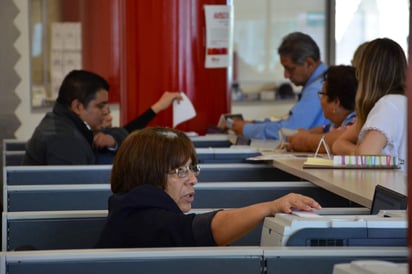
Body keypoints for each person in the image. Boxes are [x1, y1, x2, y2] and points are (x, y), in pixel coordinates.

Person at [95, 127, 321, 248]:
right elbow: (207, 229)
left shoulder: (129, 208)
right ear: (148, 175)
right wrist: (270, 208)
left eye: (192, 169)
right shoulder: (141, 218)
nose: (193, 180)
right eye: (181, 171)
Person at [227, 32, 330, 140]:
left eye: (290, 69)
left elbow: (289, 131)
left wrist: (246, 129)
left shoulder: (318, 89)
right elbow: (289, 122)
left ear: (309, 63)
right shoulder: (320, 82)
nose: (286, 75)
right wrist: (254, 124)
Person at [332, 38, 407, 169]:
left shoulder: (388, 105)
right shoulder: (399, 102)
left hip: (385, 187)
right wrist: (356, 151)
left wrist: (356, 152)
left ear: (365, 73)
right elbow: (338, 144)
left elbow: (365, 157)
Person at [284, 65, 357, 153]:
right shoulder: (337, 124)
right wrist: (302, 134)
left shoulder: (354, 122)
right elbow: (325, 129)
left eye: (322, 95)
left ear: (336, 102)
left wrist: (306, 141)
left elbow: (341, 138)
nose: (320, 100)